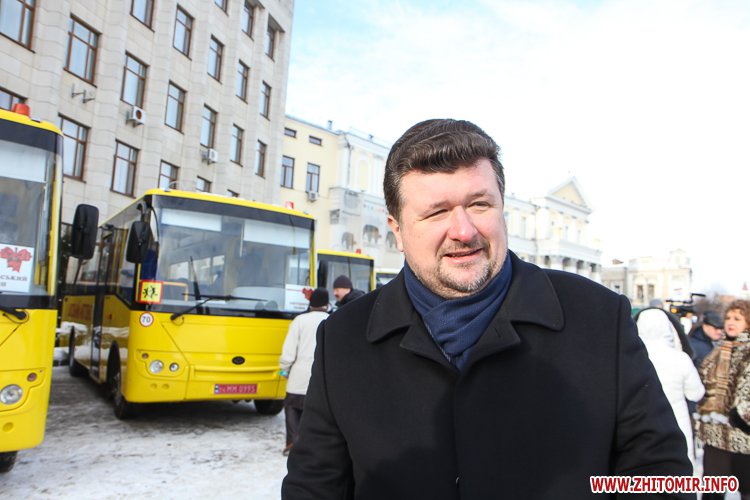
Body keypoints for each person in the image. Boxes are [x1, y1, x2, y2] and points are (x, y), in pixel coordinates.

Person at [282, 118, 692, 499]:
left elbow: (660, 473)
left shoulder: (598, 317)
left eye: (479, 204)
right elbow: (313, 486)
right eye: (437, 212)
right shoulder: (345, 337)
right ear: (398, 230)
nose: (464, 231)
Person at [636, 308, 705, 472]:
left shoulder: (633, 358)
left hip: (640, 423)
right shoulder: (680, 358)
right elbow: (696, 394)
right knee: (679, 472)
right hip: (677, 423)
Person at [696, 300, 750, 498]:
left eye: (737, 318)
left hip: (743, 435)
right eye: (728, 318)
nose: (730, 322)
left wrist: (741, 416)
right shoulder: (718, 350)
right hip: (716, 434)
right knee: (713, 492)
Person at [278, 287, 330, 456]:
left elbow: (289, 350)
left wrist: (284, 368)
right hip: (322, 375)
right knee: (317, 412)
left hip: (298, 375)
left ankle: (293, 443)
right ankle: (314, 446)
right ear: (327, 304)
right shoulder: (331, 320)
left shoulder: (299, 321)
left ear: (311, 303)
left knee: (292, 408)